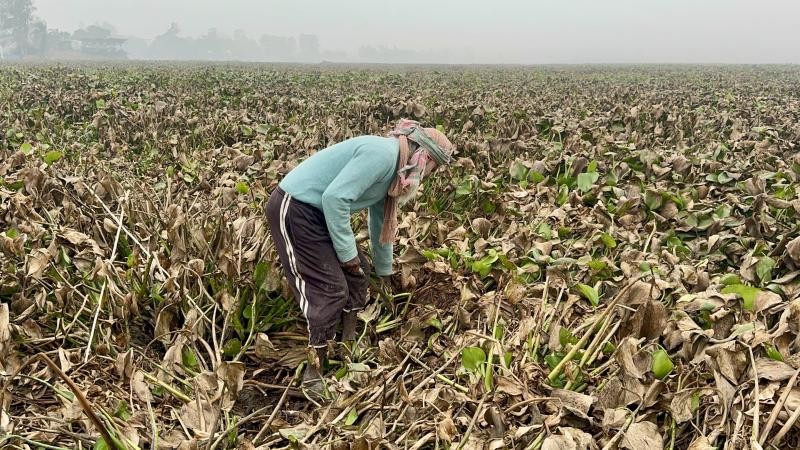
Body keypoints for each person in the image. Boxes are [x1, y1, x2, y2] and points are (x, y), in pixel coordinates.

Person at [265, 119, 455, 393]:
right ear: (422, 157)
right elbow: (335, 199)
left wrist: (384, 270)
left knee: (358, 274)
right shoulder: (382, 155)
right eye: (431, 170)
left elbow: (380, 222)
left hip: (317, 214)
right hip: (296, 208)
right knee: (330, 289)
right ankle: (314, 371)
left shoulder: (394, 170)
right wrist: (347, 256)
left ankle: (347, 341)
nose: (426, 177)